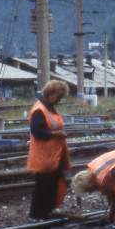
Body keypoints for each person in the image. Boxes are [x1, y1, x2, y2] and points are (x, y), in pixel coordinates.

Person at [26, 80, 72, 220]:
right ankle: (36, 216)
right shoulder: (39, 110)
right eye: (58, 97)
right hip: (44, 158)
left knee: (52, 186)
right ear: (50, 93)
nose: (59, 100)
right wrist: (56, 134)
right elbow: (37, 132)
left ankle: (47, 213)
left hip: (54, 157)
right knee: (42, 188)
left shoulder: (49, 107)